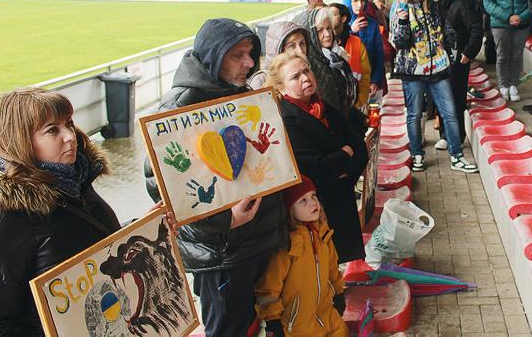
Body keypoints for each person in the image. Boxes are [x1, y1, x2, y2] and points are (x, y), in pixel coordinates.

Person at [142, 18, 288, 336]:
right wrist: (226, 221)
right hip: (222, 253)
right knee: (227, 329)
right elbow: (163, 186)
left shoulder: (244, 94)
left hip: (258, 242)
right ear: (213, 55)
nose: (249, 64)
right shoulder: (177, 107)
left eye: (250, 54)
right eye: (237, 55)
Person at [0, 89, 121, 336]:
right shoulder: (8, 217)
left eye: (69, 124)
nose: (70, 136)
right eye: (53, 130)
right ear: (19, 140)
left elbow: (91, 243)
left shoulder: (78, 182)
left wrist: (145, 228)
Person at [267, 52, 368, 263]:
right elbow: (314, 169)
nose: (306, 78)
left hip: (342, 200)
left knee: (342, 266)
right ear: (281, 88)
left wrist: (342, 168)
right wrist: (344, 154)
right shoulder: (286, 119)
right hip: (317, 210)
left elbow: (360, 148)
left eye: (307, 71)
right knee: (326, 267)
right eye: (295, 77)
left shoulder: (324, 107)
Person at [390, 0, 479, 174]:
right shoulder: (399, 7)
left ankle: (457, 156)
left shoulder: (435, 4)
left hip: (438, 69)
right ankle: (417, 154)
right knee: (414, 114)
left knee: (449, 112)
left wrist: (451, 51)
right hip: (412, 71)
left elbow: (447, 30)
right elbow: (399, 43)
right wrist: (403, 21)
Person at [255, 176, 348, 337]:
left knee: (343, 332)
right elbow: (269, 288)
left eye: (313, 196)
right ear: (289, 210)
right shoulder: (287, 245)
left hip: (325, 314)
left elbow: (333, 268)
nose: (313, 202)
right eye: (302, 201)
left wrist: (339, 292)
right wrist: (273, 321)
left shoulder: (323, 234)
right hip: (295, 324)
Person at [434, 0, 483, 148]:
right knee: (441, 97)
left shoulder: (462, 3)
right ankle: (444, 135)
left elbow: (476, 29)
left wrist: (469, 52)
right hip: (440, 59)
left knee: (456, 98)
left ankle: (457, 136)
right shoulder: (437, 4)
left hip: (459, 59)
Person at [484, 0, 532, 102]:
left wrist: (521, 17)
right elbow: (488, 2)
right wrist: (508, 17)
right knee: (502, 56)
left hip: (521, 24)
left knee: (517, 56)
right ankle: (503, 85)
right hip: (500, 24)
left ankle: (513, 85)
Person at [294, 8, 355, 115]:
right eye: (320, 30)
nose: (327, 34)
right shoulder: (309, 67)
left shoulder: (336, 56)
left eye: (329, 28)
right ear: (310, 34)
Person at [343, 0, 386, 98]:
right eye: (355, 1)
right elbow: (338, 49)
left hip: (370, 79)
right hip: (348, 81)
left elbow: (379, 54)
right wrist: (351, 30)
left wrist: (375, 80)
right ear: (348, 2)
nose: (359, 5)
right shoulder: (342, 23)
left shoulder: (372, 24)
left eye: (362, 1)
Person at [328, 4, 372, 110]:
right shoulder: (324, 44)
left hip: (356, 104)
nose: (328, 18)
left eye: (332, 15)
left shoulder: (356, 42)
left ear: (343, 19)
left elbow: (365, 74)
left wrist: (359, 101)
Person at [248, 21, 309, 89]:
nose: (300, 50)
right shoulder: (261, 81)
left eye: (302, 43)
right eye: (291, 46)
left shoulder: (307, 70)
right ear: (277, 48)